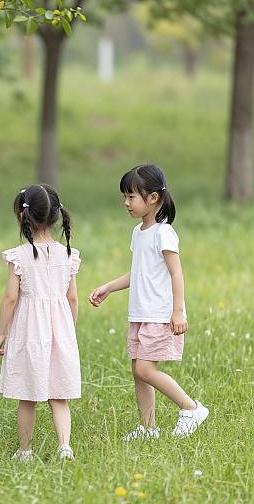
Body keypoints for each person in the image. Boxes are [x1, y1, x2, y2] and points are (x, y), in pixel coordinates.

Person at [89, 164, 208, 440]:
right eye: (125, 197)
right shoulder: (138, 232)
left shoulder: (163, 233)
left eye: (131, 196)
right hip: (140, 313)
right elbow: (139, 271)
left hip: (159, 313)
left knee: (145, 368)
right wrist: (109, 287)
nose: (126, 202)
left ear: (152, 198)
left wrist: (178, 311)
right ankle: (148, 427)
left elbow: (176, 272)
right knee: (137, 371)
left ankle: (191, 408)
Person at [0, 184, 82, 461]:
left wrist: (1, 332)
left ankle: (25, 450)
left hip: (30, 331)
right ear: (57, 216)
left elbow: (10, 298)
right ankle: (64, 446)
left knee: (27, 394)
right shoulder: (67, 254)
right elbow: (73, 299)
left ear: (23, 216)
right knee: (59, 394)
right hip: (60, 331)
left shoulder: (19, 256)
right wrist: (69, 329)